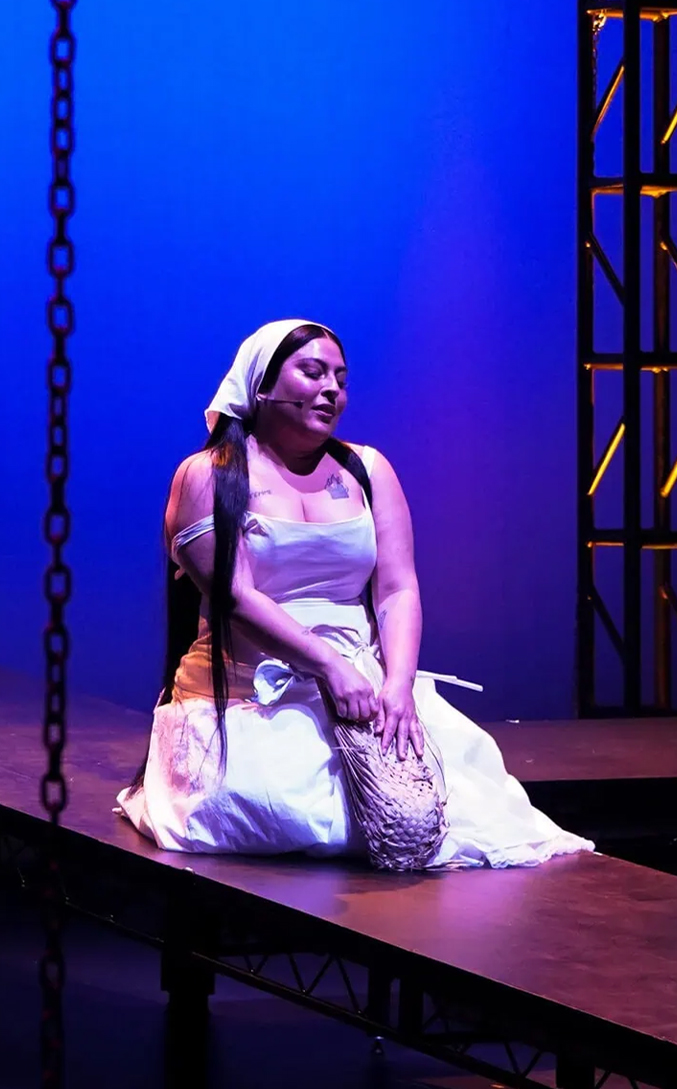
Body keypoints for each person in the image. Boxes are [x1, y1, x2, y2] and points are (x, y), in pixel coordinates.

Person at [116, 319, 591, 866]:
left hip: (360, 686)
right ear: (262, 386)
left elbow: (397, 588)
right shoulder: (209, 475)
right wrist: (327, 665)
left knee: (461, 810)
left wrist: (398, 683)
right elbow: (234, 596)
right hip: (256, 691)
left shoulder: (367, 470)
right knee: (278, 808)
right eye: (313, 372)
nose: (331, 389)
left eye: (341, 377)